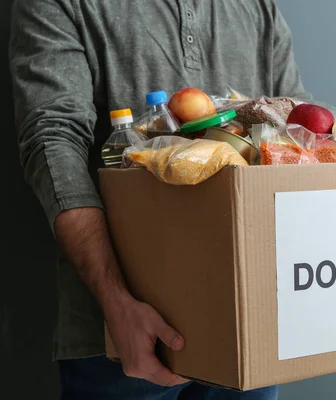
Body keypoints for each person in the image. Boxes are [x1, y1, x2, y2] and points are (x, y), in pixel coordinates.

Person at [9, 0, 308, 398]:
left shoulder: (256, 8)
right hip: (123, 334)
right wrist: (115, 301)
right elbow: (53, 142)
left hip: (248, 318)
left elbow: (301, 136)